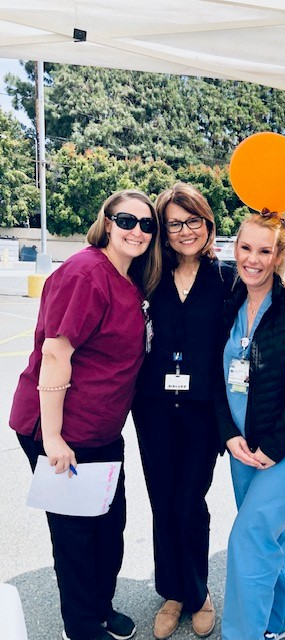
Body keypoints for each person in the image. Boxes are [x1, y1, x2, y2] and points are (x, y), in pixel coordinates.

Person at [9, 189, 162, 640]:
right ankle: (79, 625)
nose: (137, 231)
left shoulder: (127, 276)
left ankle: (100, 606)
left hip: (100, 431)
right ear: (108, 222)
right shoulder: (85, 273)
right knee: (76, 537)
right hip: (63, 431)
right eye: (127, 220)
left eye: (147, 225)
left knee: (108, 525)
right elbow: (56, 353)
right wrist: (54, 438)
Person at [131, 183, 234, 640]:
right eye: (174, 223)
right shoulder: (146, 276)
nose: (185, 230)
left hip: (201, 412)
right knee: (162, 500)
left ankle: (198, 594)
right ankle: (172, 591)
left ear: (208, 224)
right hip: (152, 407)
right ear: (163, 230)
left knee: (190, 500)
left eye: (194, 220)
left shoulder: (227, 278)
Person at [215, 210, 285, 640]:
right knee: (267, 537)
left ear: (279, 255)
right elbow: (212, 376)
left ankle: (240, 634)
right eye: (245, 248)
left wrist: (273, 446)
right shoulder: (229, 305)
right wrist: (229, 434)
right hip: (241, 447)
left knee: (248, 536)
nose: (253, 259)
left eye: (264, 250)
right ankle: (280, 619)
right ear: (235, 248)